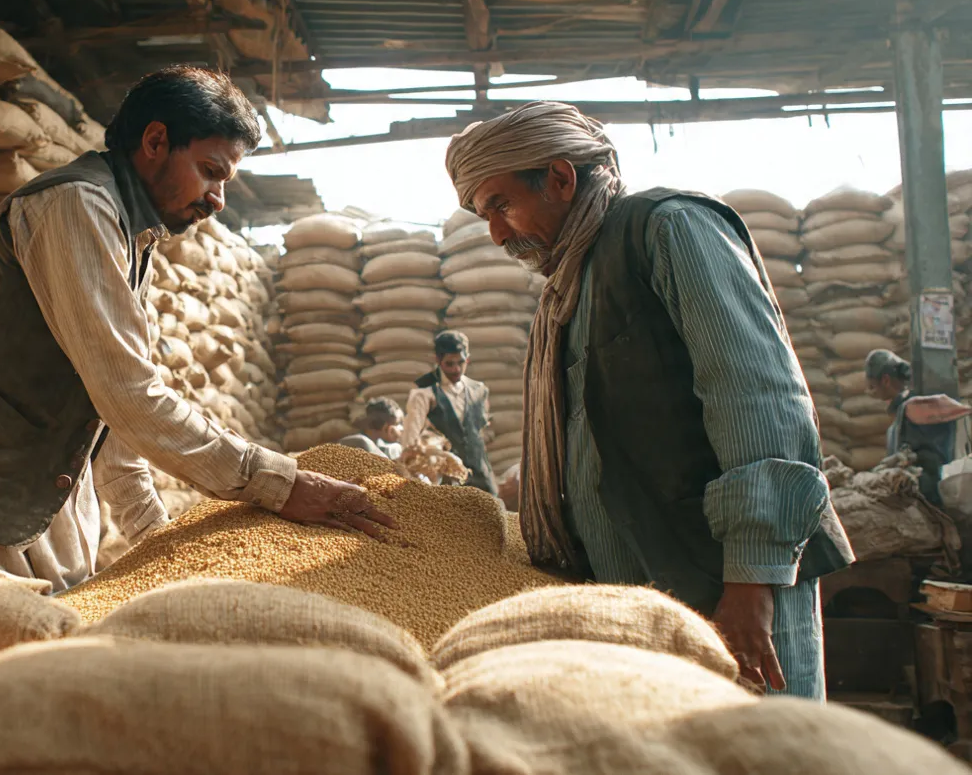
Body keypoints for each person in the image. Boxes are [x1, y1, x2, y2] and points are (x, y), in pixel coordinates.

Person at [0, 66, 394, 592]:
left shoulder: (132, 236)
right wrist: (280, 484)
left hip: (36, 505)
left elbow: (110, 417)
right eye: (210, 171)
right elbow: (127, 394)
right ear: (155, 141)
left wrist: (157, 539)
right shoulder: (76, 206)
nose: (218, 198)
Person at [444, 100, 855, 700]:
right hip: (644, 598)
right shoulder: (570, 289)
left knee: (762, 742)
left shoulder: (668, 228)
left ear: (559, 178)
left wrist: (751, 582)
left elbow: (756, 397)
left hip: (726, 590)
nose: (497, 234)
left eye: (501, 206)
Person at [865, 348, 972, 503]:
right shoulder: (899, 417)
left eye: (872, 387)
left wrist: (909, 459)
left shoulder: (913, 408)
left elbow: (935, 458)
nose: (871, 392)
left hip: (927, 492)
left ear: (886, 380)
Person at [400, 330, 495, 492]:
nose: (457, 369)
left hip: (479, 472)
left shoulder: (478, 390)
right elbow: (411, 438)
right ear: (438, 360)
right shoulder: (424, 391)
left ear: (468, 359)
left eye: (461, 362)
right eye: (449, 364)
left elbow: (482, 430)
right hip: (445, 475)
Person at [339, 397, 404, 460]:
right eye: (398, 424)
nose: (402, 428)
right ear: (387, 429)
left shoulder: (347, 442)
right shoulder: (392, 450)